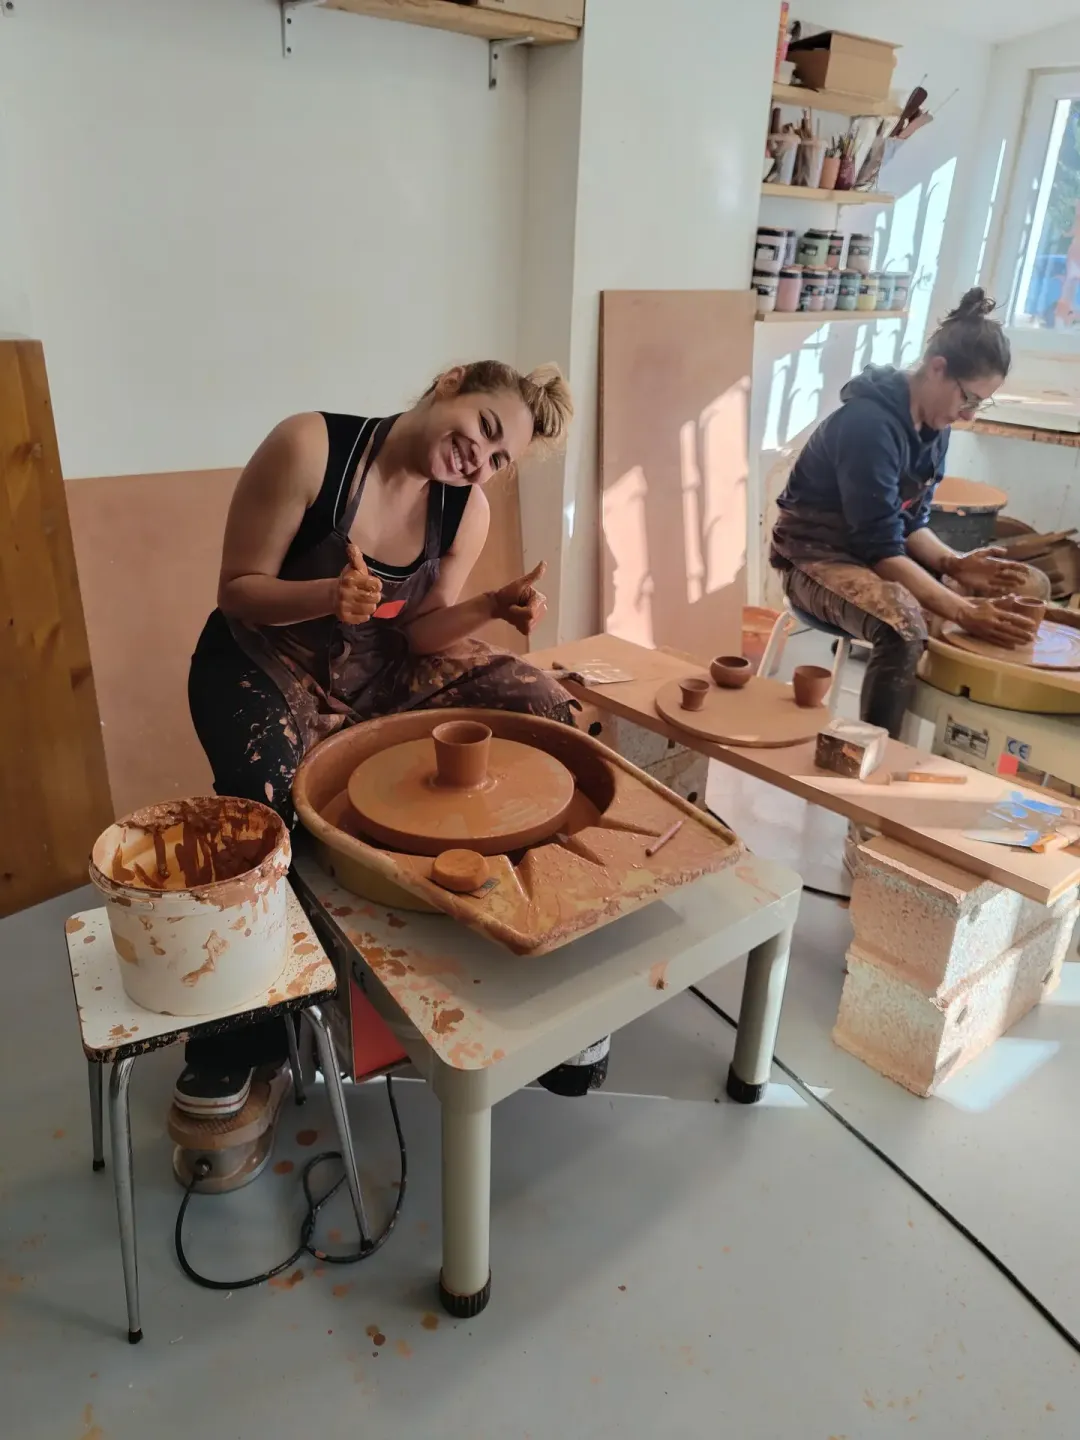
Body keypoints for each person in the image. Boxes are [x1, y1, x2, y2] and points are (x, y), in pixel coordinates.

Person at [177, 361, 605, 1184]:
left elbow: (418, 635)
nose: (480, 461)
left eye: (500, 459)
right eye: (484, 429)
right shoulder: (311, 448)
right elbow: (236, 592)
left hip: (374, 667)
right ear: (449, 384)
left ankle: (535, 951)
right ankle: (247, 1040)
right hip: (260, 661)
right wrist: (324, 597)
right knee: (268, 810)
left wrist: (492, 607)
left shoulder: (465, 507)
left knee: (542, 708)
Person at [770, 288, 1040, 740]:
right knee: (903, 625)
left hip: (873, 554)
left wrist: (955, 564)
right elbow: (881, 548)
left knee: (1028, 587)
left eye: (979, 404)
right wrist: (961, 610)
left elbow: (910, 523)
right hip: (814, 560)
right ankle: (869, 759)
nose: (968, 415)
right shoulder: (867, 425)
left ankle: (956, 738)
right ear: (937, 369)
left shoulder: (934, 425)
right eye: (969, 399)